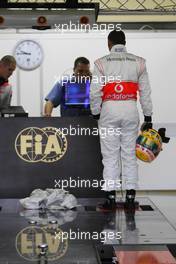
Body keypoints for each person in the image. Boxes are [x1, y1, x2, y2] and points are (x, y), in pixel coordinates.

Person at [90, 30, 153, 209]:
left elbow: (95, 92)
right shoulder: (139, 62)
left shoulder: (101, 63)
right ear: (124, 43)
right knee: (129, 155)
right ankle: (131, 197)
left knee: (110, 156)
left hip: (109, 110)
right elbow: (145, 92)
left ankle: (110, 197)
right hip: (130, 110)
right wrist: (148, 116)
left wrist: (96, 113)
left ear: (109, 43)